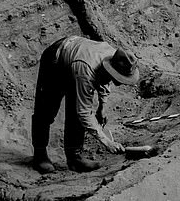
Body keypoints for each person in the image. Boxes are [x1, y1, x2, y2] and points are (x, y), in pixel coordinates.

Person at [31, 36, 140, 174]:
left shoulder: (116, 58)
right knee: (46, 110)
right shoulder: (86, 69)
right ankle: (39, 155)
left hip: (75, 61)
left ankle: (75, 159)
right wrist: (107, 142)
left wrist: (102, 106)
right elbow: (84, 112)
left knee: (75, 113)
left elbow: (105, 77)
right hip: (56, 61)